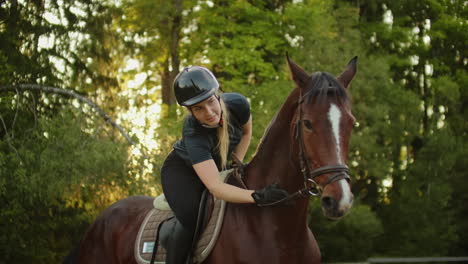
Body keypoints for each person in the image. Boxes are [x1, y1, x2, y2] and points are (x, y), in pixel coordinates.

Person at [160, 66, 290, 264]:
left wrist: (236, 162)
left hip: (217, 164)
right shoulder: (193, 131)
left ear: (218, 94)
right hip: (182, 173)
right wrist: (257, 196)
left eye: (210, 102)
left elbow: (246, 134)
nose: (209, 112)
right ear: (190, 111)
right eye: (198, 109)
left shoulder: (238, 104)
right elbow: (215, 187)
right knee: (192, 218)